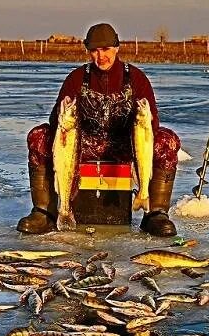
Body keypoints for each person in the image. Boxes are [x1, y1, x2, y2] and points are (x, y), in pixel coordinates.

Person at [17, 22, 180, 236]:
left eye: (105, 50)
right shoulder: (77, 78)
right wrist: (60, 112)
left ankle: (155, 213)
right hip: (84, 145)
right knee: (39, 136)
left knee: (167, 141)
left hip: (125, 145)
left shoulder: (136, 78)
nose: (100, 56)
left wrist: (141, 124)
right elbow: (57, 124)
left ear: (116, 48)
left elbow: (153, 124)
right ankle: (45, 212)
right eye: (94, 51)